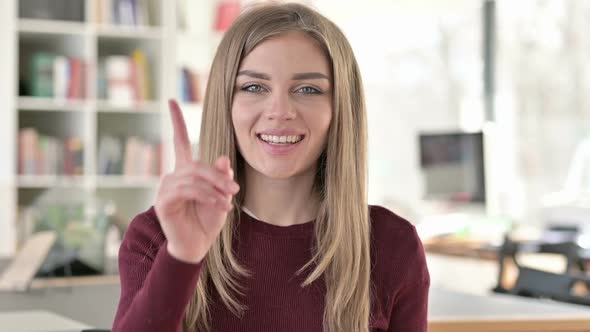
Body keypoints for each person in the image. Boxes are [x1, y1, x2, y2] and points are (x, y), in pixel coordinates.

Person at [112, 3, 429, 332]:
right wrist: (181, 257)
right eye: (253, 87)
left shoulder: (392, 245)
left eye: (308, 89)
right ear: (226, 103)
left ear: (340, 110)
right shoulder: (156, 236)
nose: (280, 111)